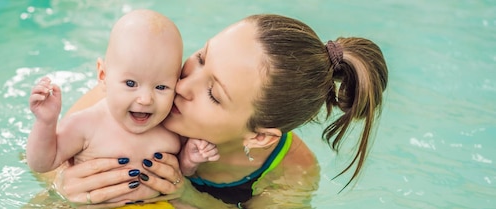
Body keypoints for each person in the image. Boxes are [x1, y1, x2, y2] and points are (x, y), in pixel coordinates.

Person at [48, 13, 388, 209]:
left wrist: (187, 194)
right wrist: (62, 183)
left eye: (212, 93)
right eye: (200, 57)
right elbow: (38, 160)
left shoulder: (289, 172)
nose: (182, 85)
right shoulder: (136, 94)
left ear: (258, 136)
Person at [25, 10, 219, 208]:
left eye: (161, 87)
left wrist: (190, 159)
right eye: (130, 83)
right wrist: (46, 122)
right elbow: (42, 164)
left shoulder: (171, 127)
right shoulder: (85, 124)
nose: (145, 99)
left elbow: (180, 174)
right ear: (103, 75)